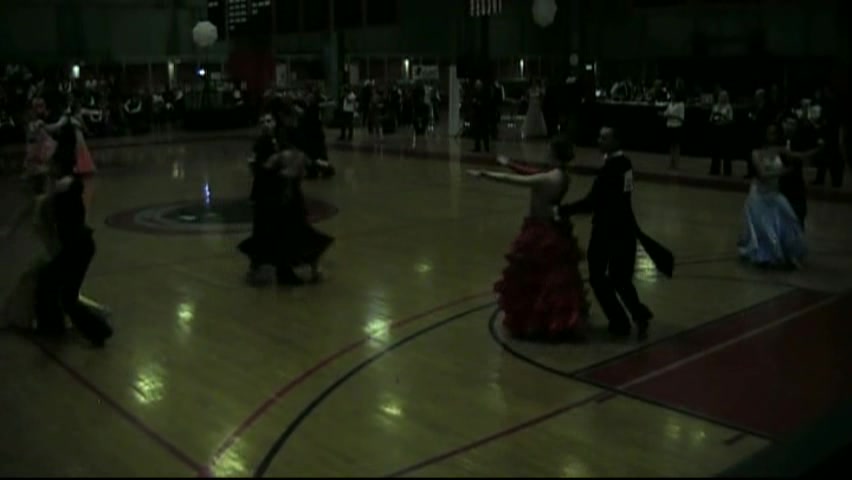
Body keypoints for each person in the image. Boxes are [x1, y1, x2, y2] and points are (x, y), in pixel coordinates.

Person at [556, 127, 673, 340]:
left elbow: (593, 201)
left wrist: (563, 210)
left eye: (604, 137)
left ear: (616, 141)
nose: (598, 140)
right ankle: (635, 316)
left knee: (600, 276)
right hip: (623, 228)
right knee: (620, 278)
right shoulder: (625, 164)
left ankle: (620, 320)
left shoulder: (612, 168)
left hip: (608, 230)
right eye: (599, 136)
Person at [466, 136, 588, 340]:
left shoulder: (549, 179)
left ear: (554, 154)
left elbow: (518, 180)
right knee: (550, 278)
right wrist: (509, 163)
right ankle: (549, 321)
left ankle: (543, 322)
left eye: (549, 150)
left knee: (539, 277)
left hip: (542, 231)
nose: (546, 153)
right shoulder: (561, 175)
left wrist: (484, 174)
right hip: (552, 228)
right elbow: (530, 173)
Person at [737, 124, 807, 268]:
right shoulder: (756, 153)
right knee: (765, 227)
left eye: (774, 133)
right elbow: (762, 174)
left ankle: (783, 254)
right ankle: (765, 256)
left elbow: (799, 156)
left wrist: (819, 150)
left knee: (788, 221)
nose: (772, 136)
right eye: (770, 133)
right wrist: (784, 172)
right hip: (759, 196)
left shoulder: (780, 150)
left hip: (775, 193)